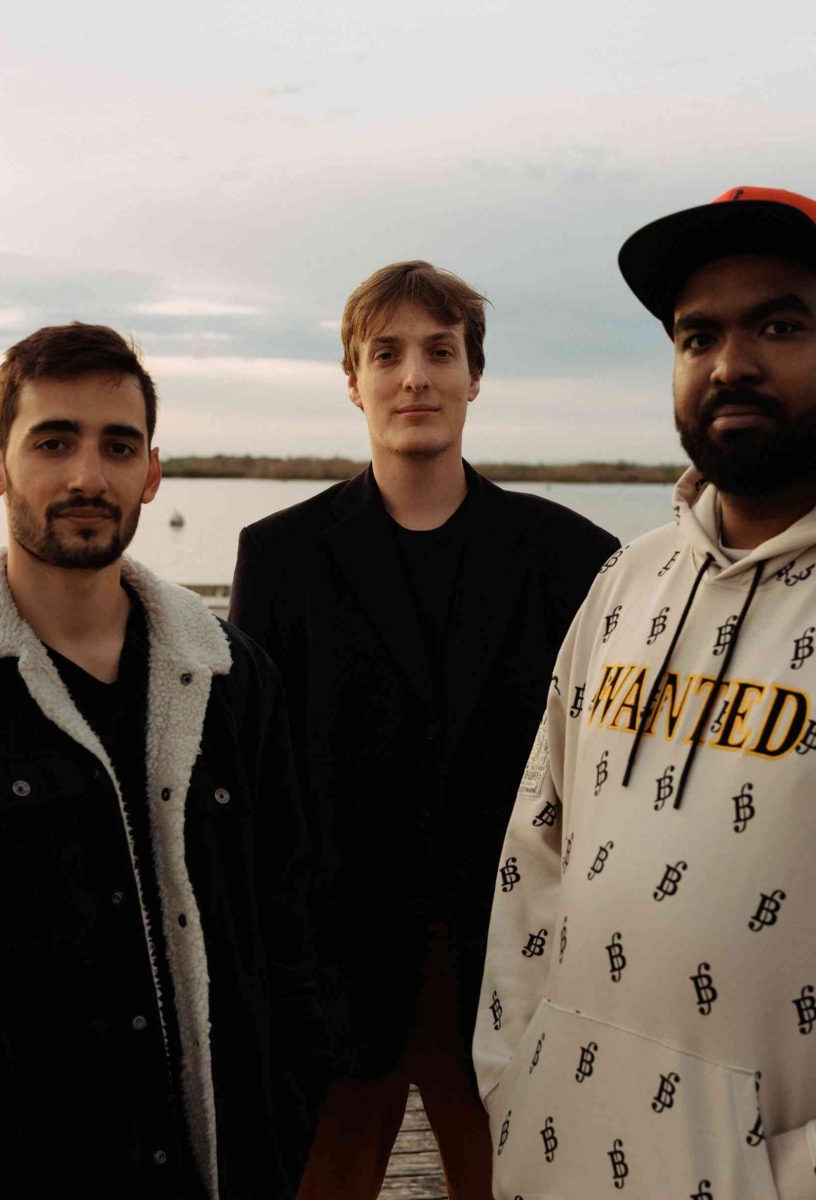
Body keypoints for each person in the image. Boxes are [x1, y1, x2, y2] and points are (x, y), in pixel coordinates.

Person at [474, 187, 816, 1199]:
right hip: (559, 1163)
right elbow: (534, 856)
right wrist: (519, 1089)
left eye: (778, 325)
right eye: (698, 336)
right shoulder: (628, 583)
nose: (731, 363)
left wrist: (805, 1182)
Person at [0, 323, 324, 1199]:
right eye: (53, 443)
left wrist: (279, 1128)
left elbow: (291, 930)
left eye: (118, 447)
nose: (88, 476)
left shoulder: (232, 683)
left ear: (151, 474)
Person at [228, 261, 618, 1199]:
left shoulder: (574, 556)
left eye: (441, 353)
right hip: (336, 967)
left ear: (474, 376)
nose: (415, 378)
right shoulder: (279, 556)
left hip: (516, 962)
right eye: (387, 354)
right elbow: (252, 776)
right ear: (352, 380)